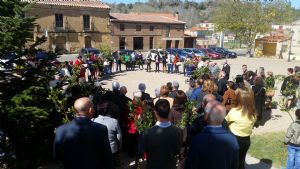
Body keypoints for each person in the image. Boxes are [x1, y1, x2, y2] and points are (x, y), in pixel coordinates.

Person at [53, 97, 114, 169]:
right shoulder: (100, 129)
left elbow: (56, 155)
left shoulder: (61, 130)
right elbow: (107, 156)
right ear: (90, 110)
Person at [185, 101, 239, 169]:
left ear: (207, 117)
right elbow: (234, 165)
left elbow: (191, 165)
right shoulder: (233, 139)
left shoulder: (198, 140)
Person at [142, 99, 182, 169]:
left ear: (155, 112)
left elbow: (143, 150)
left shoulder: (147, 132)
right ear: (169, 111)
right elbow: (177, 151)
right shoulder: (178, 131)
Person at [225, 88, 257, 169]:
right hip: (246, 140)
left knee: (231, 162)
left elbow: (224, 123)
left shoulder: (234, 111)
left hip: (234, 140)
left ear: (238, 99)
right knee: (241, 162)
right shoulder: (253, 113)